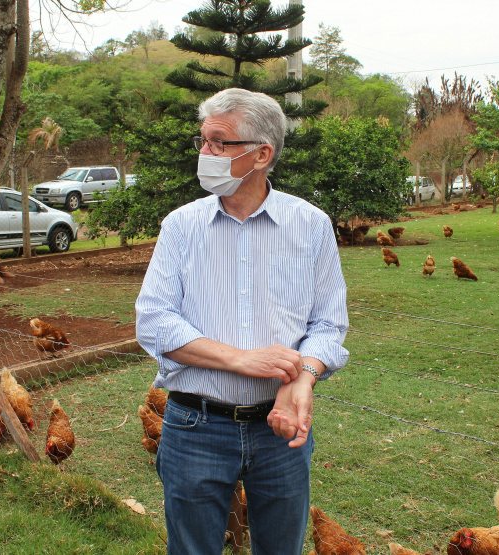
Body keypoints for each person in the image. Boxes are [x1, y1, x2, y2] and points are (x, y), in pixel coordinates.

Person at [135, 87, 349, 554]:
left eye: (219, 142)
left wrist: (304, 378)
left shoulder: (310, 225)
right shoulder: (181, 226)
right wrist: (241, 359)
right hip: (195, 425)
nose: (205, 153)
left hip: (281, 431)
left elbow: (330, 326)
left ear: (261, 154)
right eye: (203, 141)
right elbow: (153, 322)